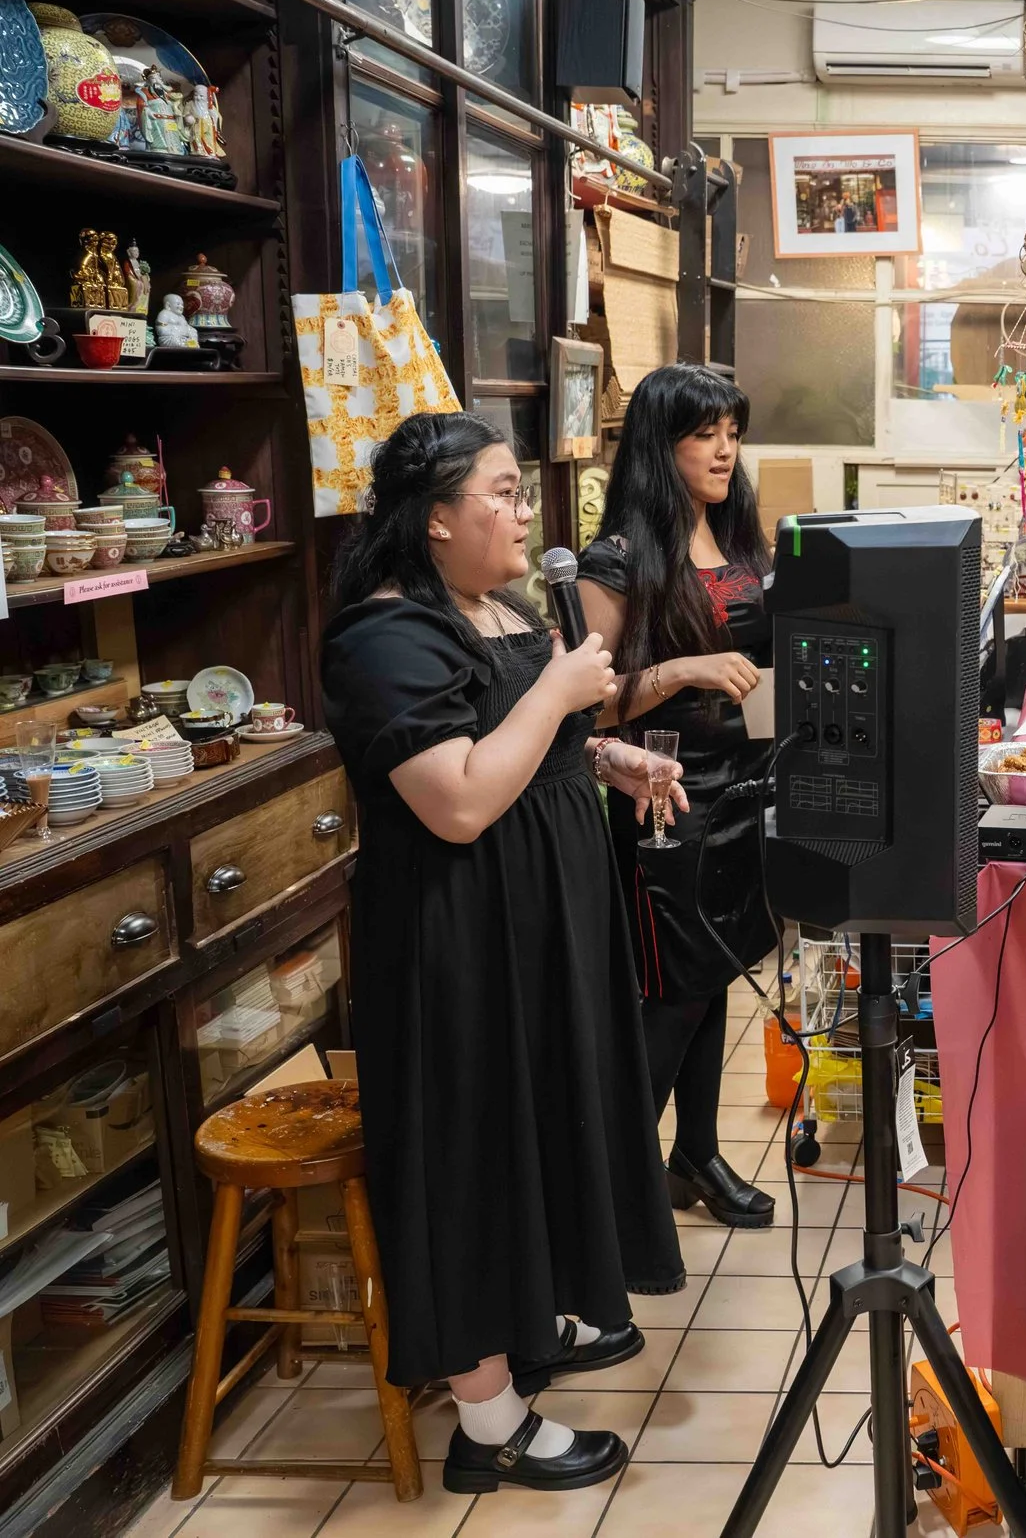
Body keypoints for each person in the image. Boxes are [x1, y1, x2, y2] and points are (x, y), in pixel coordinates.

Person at [321, 413, 686, 1494]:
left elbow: (526, 740)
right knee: (473, 1149)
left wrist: (607, 754)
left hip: (543, 932)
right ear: (434, 517)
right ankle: (487, 1419)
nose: (528, 511)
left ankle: (528, 1324)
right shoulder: (382, 638)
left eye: (524, 491)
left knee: (536, 1129)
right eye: (503, 491)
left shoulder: (497, 606)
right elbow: (463, 797)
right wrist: (561, 695)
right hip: (458, 945)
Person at [577, 364, 779, 1230]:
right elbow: (586, 700)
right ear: (663, 445)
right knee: (672, 993)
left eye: (733, 430)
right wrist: (683, 669)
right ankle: (613, 1190)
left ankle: (694, 1153)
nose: (725, 448)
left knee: (718, 974)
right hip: (662, 800)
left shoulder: (734, 538)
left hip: (743, 794)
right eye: (705, 433)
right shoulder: (617, 558)